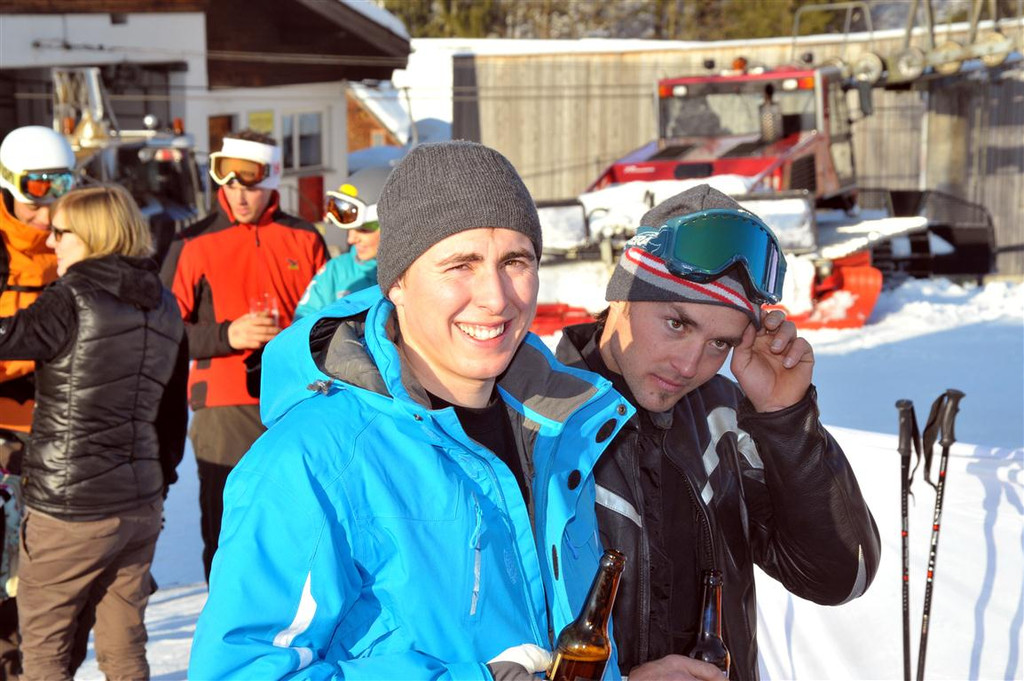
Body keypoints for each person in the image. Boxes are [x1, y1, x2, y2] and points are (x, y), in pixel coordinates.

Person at [188, 141, 636, 680]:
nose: (496, 297)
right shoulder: (314, 460)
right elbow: (240, 671)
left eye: (515, 262)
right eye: (461, 264)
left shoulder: (562, 430)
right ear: (396, 282)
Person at [555, 184, 881, 681]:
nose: (689, 365)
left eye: (719, 344)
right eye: (676, 324)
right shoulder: (537, 423)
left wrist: (785, 417)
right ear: (623, 292)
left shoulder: (722, 419)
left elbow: (840, 576)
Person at [0, 184, 188, 681]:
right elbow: (172, 414)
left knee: (44, 651)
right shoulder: (164, 303)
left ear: (92, 234)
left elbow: (9, 338)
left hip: (69, 509)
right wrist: (158, 484)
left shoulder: (72, 298)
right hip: (139, 504)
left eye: (60, 233)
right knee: (124, 649)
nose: (50, 243)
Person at [160, 129, 327, 581]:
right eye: (228, 182)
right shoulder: (191, 242)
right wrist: (227, 334)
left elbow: (329, 321)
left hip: (297, 398)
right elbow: (161, 332)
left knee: (295, 519)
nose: (238, 194)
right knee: (228, 522)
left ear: (271, 178)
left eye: (249, 184)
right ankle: (224, 610)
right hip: (223, 401)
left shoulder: (304, 238)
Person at [0, 124, 77, 680]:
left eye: (60, 186)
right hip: (5, 423)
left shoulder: (77, 237)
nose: (47, 209)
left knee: (49, 568)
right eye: (35, 189)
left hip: (61, 426)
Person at [294, 166, 389, 319]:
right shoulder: (335, 271)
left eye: (364, 230)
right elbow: (303, 322)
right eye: (349, 229)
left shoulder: (416, 273)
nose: (351, 239)